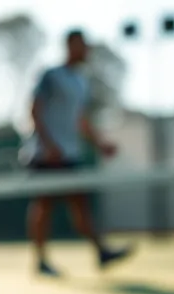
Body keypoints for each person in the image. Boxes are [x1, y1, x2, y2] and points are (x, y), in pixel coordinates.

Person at [25, 29, 133, 278]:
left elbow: (79, 120)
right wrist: (49, 145)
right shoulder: (50, 76)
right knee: (43, 205)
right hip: (46, 155)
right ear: (70, 46)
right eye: (82, 45)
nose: (87, 50)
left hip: (69, 154)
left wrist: (100, 143)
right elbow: (34, 110)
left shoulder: (81, 82)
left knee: (80, 205)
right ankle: (40, 260)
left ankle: (101, 252)